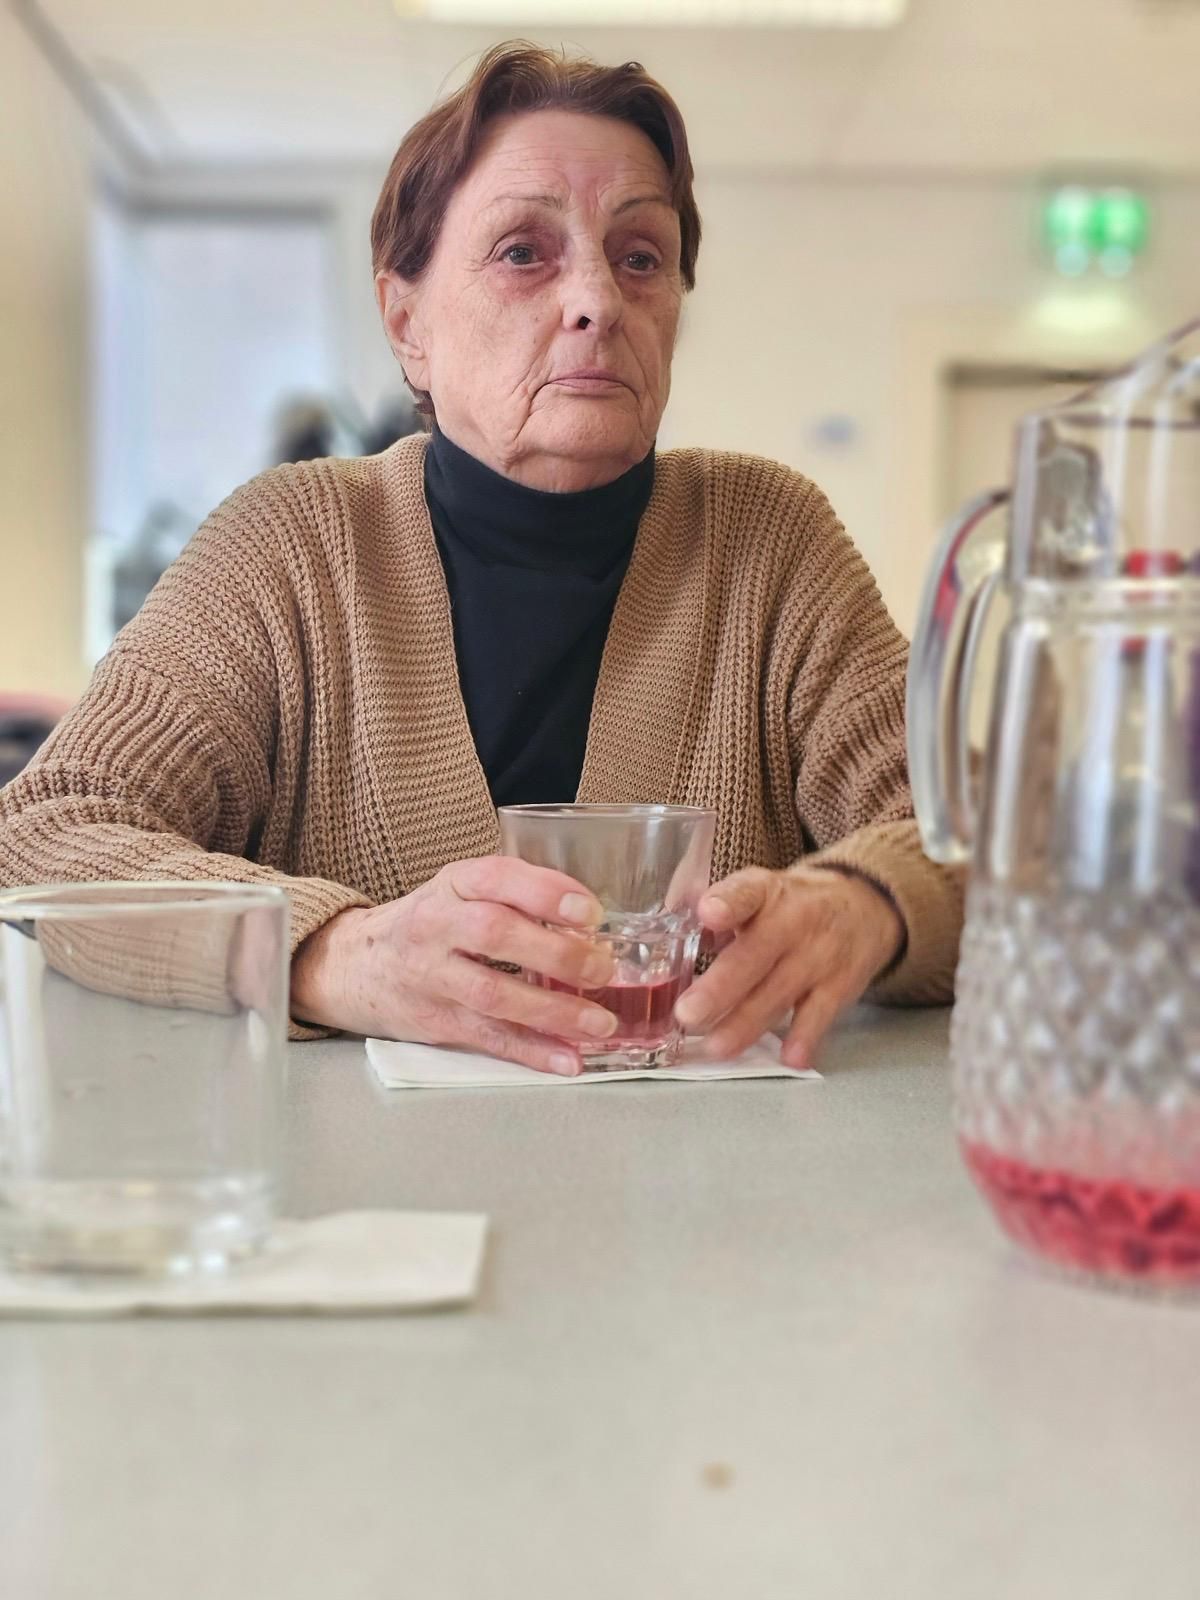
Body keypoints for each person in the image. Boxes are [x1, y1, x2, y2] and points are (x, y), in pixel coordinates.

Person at [0, 43, 963, 1074]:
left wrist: (866, 903)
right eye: (522, 252)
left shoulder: (770, 539)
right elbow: (47, 832)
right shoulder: (288, 546)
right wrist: (332, 952)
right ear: (407, 322)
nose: (598, 299)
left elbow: (981, 843)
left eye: (640, 256)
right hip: (352, 1173)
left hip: (712, 1164)